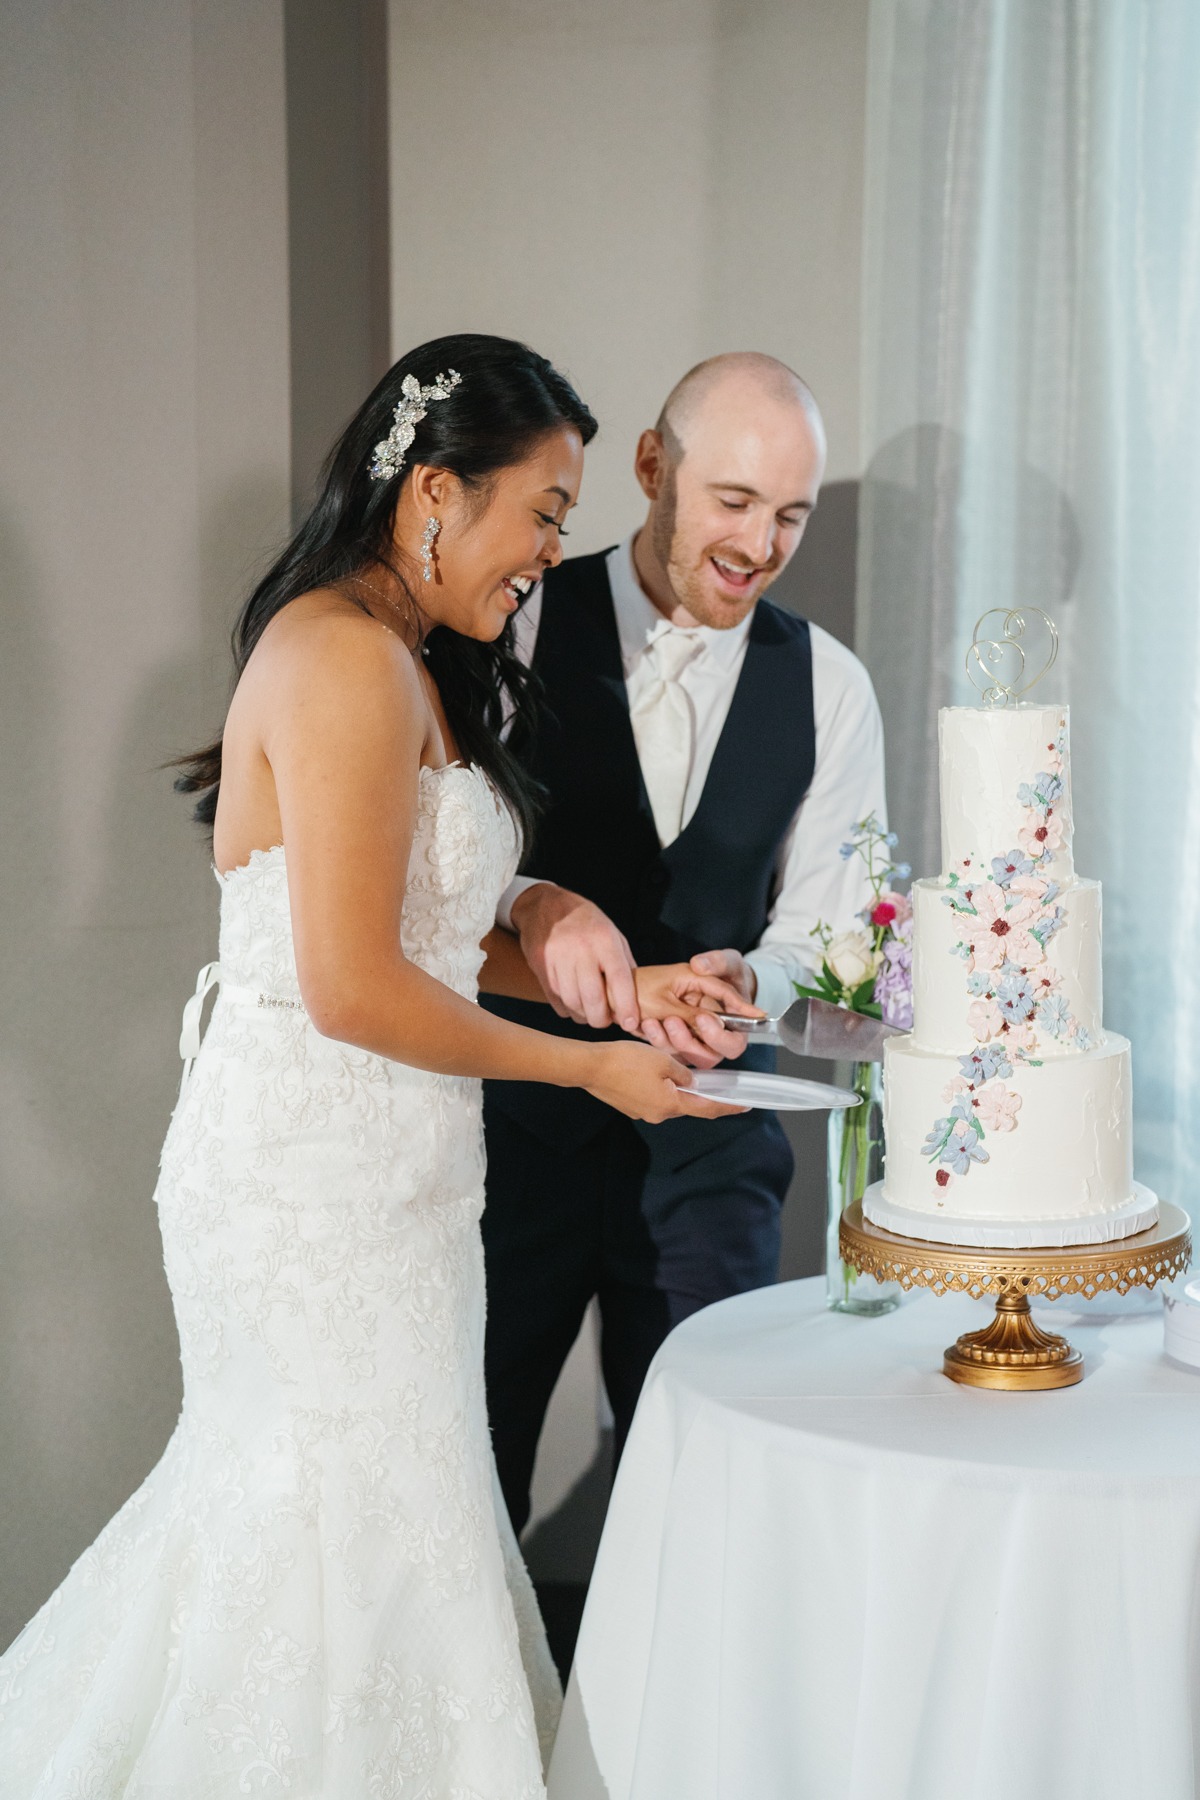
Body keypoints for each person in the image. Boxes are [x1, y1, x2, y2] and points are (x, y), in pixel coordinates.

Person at [0, 335, 755, 1800]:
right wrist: (590, 1071)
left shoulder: (403, 657)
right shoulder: (339, 656)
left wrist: (609, 975)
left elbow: (424, 933)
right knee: (313, 1531)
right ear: (433, 495)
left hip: (392, 1178)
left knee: (400, 1529)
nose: (553, 546)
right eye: (540, 509)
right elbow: (349, 987)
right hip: (307, 1184)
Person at [481, 352, 888, 1535]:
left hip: (709, 1156)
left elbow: (835, 928)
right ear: (654, 467)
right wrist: (535, 899)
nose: (761, 545)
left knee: (700, 1499)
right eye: (735, 502)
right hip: (512, 1130)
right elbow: (436, 868)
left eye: (791, 515)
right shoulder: (518, 621)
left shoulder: (830, 687)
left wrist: (752, 974)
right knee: (470, 1475)